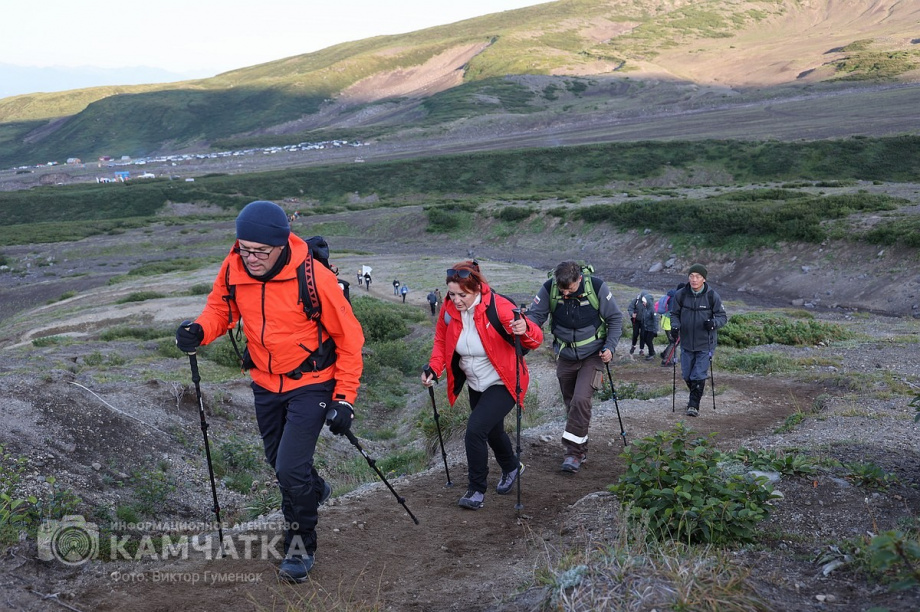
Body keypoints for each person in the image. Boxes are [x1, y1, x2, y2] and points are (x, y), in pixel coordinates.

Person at [174, 200, 364, 582]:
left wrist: (344, 399)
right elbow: (221, 310)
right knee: (280, 464)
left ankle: (301, 547)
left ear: (281, 244)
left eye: (260, 251)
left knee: (290, 471)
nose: (252, 258)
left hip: (312, 382)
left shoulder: (314, 278)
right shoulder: (234, 266)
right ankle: (314, 488)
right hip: (264, 381)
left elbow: (349, 339)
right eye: (245, 249)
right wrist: (200, 330)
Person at [422, 261, 543, 510]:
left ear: (477, 289)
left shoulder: (499, 307)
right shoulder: (448, 310)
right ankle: (512, 467)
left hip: (503, 381)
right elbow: (441, 341)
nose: (456, 300)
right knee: (492, 431)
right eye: (452, 294)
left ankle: (476, 490)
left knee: (475, 431)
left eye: (462, 295)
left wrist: (525, 328)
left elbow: (535, 339)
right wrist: (434, 369)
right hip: (475, 383)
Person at [524, 261, 623, 473]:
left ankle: (573, 454)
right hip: (565, 355)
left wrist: (610, 348)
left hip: (594, 355)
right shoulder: (550, 288)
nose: (565, 293)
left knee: (580, 400)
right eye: (562, 290)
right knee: (572, 405)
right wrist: (526, 325)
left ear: (579, 279)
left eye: (569, 289)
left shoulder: (596, 287)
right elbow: (536, 316)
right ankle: (580, 447)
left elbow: (615, 318)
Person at [669, 264, 727, 417]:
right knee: (687, 375)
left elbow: (722, 317)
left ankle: (693, 405)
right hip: (686, 342)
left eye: (698, 276)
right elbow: (674, 314)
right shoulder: (680, 295)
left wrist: (714, 323)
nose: (694, 279)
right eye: (691, 276)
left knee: (699, 374)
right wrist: (675, 326)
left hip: (705, 343)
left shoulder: (712, 296)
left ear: (704, 279)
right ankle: (695, 394)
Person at [627, 291, 652, 356]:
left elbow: (651, 310)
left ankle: (641, 350)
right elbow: (630, 308)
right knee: (635, 334)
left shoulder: (648, 302)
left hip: (645, 321)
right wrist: (632, 314)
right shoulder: (636, 300)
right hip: (636, 320)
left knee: (643, 335)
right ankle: (633, 346)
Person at [638, 292, 658, 361]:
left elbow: (655, 320)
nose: (643, 303)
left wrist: (655, 330)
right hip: (647, 328)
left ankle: (652, 354)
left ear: (648, 302)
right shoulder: (646, 308)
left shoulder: (652, 309)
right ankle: (651, 353)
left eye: (644, 302)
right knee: (646, 340)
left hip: (651, 329)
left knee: (648, 341)